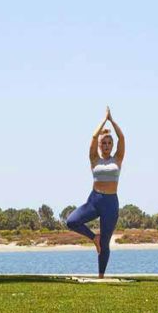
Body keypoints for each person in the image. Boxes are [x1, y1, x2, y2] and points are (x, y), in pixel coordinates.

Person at [65, 107, 125, 278]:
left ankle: (101, 277)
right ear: (99, 146)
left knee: (105, 243)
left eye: (109, 143)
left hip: (111, 203)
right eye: (103, 143)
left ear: (112, 145)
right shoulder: (94, 159)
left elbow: (122, 137)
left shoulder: (118, 159)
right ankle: (94, 238)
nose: (106, 146)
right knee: (71, 221)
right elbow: (93, 137)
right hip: (94, 200)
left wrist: (112, 120)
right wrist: (103, 122)